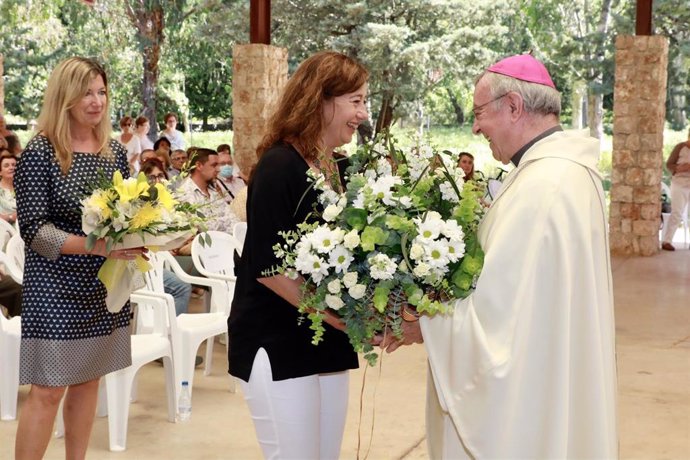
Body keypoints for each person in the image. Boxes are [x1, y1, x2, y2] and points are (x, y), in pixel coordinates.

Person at [383, 54, 617, 458]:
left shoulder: (544, 185)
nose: (475, 126)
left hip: (529, 397)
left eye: (479, 113)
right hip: (549, 374)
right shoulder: (562, 173)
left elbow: (499, 323)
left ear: (513, 106)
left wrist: (424, 325)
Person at [228, 50, 368, 459]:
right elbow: (269, 269)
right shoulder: (278, 166)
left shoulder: (337, 168)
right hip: (277, 339)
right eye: (355, 100)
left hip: (325, 338)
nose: (362, 112)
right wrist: (339, 317)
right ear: (322, 99)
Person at [13, 56, 146, 460]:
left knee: (89, 381)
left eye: (102, 92)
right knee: (48, 389)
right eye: (86, 92)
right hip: (53, 286)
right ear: (64, 96)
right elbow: (35, 231)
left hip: (102, 286)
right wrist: (99, 246)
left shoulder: (113, 154)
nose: (96, 101)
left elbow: (124, 216)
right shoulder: (40, 153)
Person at [139, 158, 193, 316]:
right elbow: (142, 241)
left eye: (160, 175)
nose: (157, 181)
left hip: (166, 258)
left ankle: (169, 330)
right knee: (182, 287)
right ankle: (170, 333)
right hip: (144, 262)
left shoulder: (169, 201)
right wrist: (164, 251)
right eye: (151, 177)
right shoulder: (139, 205)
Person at [177, 147, 236, 232]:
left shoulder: (213, 190)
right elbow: (205, 227)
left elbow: (232, 217)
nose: (218, 169)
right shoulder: (184, 193)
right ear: (199, 165)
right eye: (214, 165)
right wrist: (225, 221)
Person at [661, 128, 690, 251]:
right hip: (679, 183)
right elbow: (669, 164)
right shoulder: (680, 147)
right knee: (677, 212)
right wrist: (679, 168)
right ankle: (667, 241)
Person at [0, 151, 17, 223]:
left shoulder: (25, 188)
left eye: (14, 165)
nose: (11, 168)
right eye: (6, 166)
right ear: (0, 172)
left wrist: (12, 217)